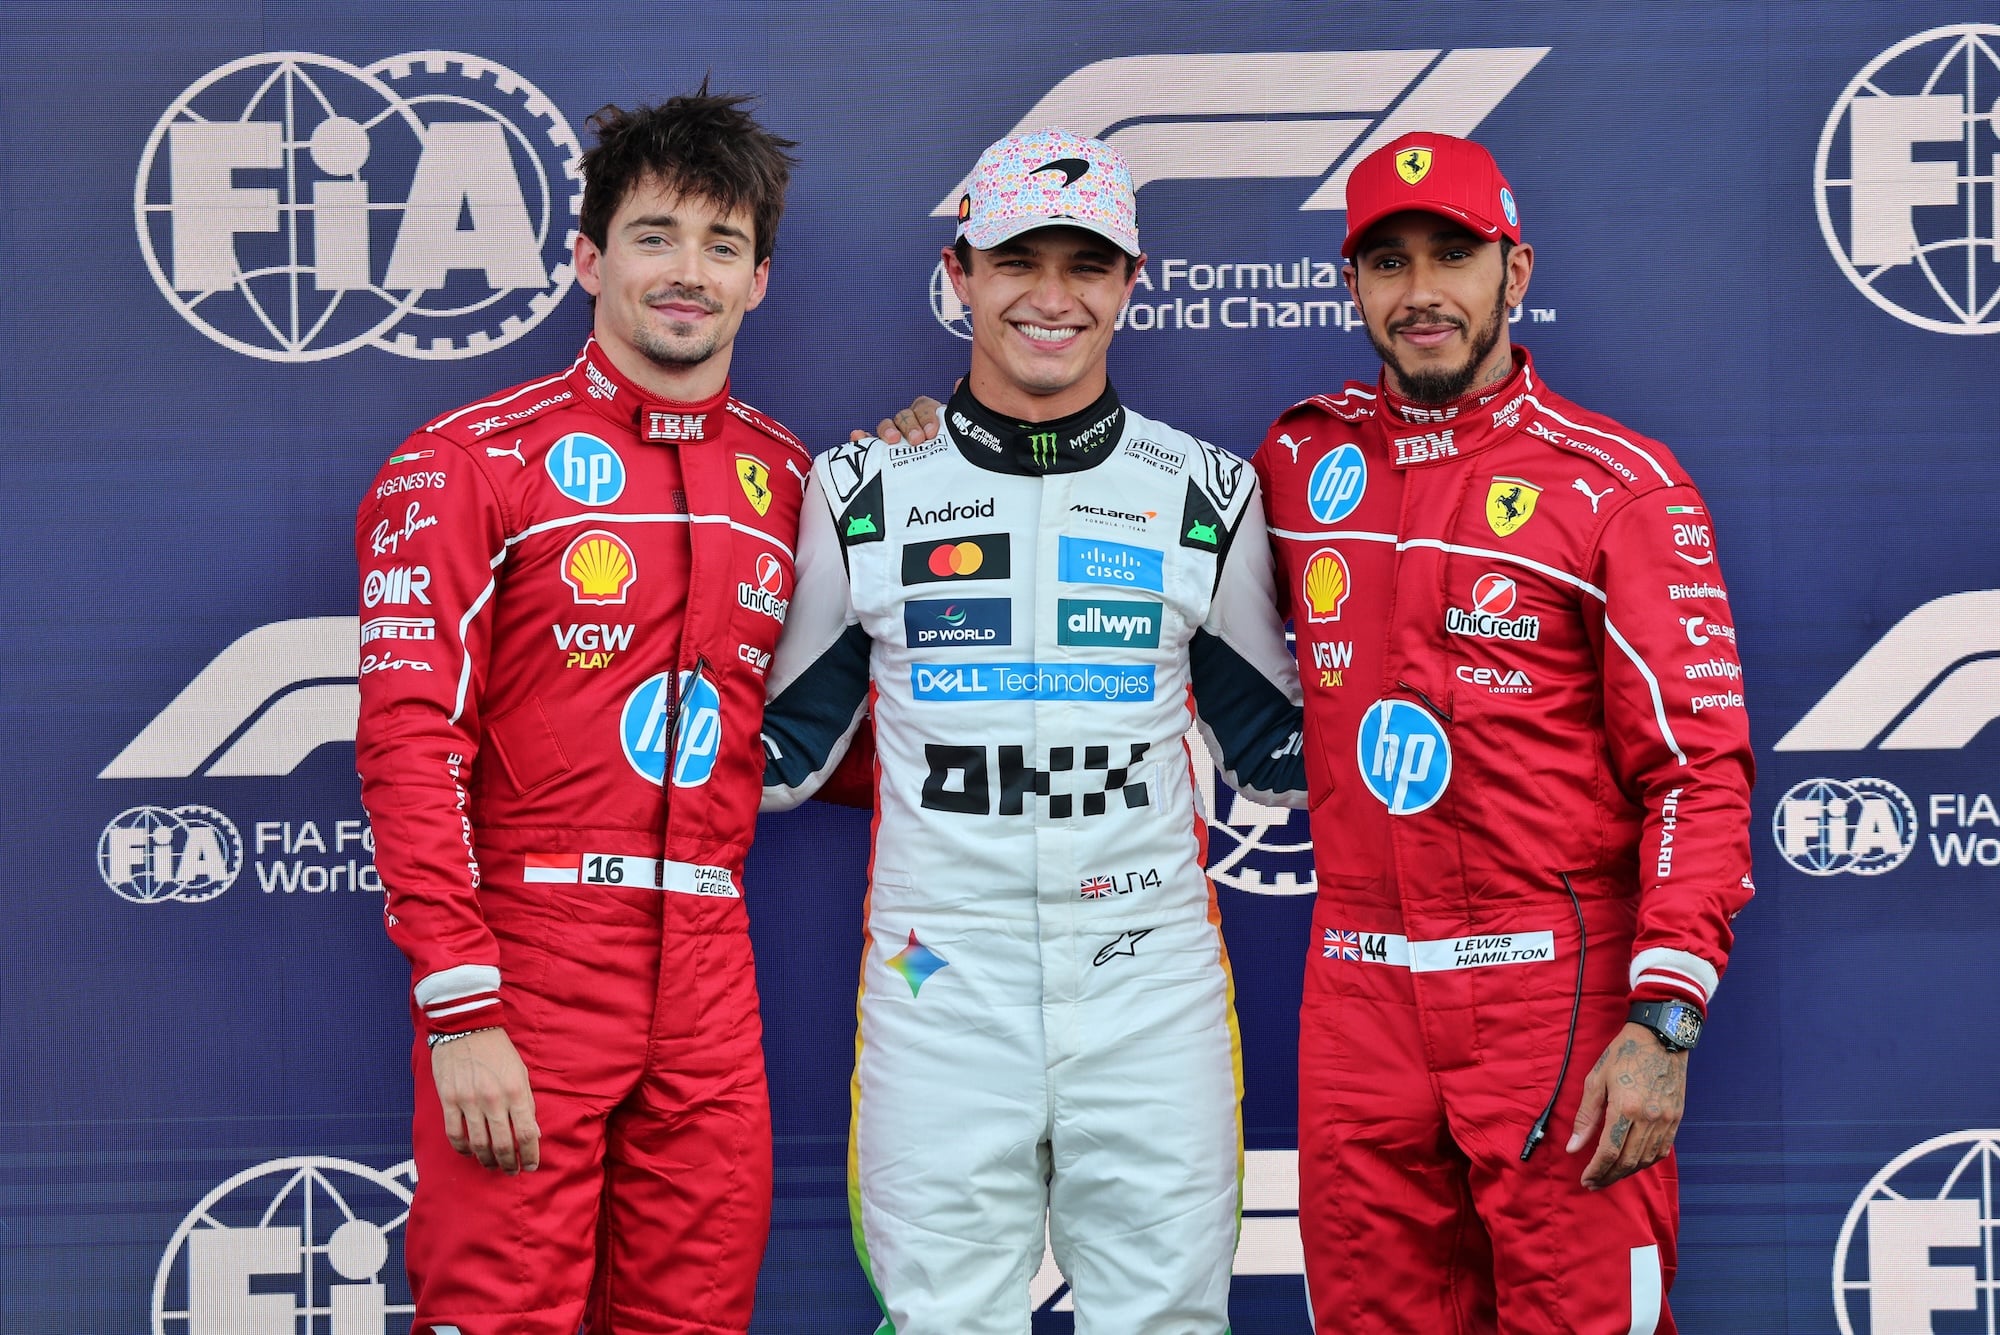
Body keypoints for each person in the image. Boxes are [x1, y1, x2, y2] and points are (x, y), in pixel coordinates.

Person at [759, 127, 1305, 1334]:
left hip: (1148, 973)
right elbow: (778, 759)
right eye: (1016, 261)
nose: (1049, 298)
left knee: (1167, 1319)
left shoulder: (1206, 493)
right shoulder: (860, 489)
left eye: (1085, 265)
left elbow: (1283, 753)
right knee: (944, 1318)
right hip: (935, 972)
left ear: (1131, 283)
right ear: (960, 277)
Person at [1254, 133, 1754, 1333]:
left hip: (1556, 998)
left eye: (1452, 255)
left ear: (1513, 271)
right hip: (1358, 997)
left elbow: (1698, 771)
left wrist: (1662, 1021)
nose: (1420, 290)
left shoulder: (1617, 484)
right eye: (1386, 262)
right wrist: (934, 439)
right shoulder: (1296, 458)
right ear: (1351, 286)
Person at [354, 88, 805, 1335]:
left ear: (758, 281)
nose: (688, 274)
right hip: (531, 956)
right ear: (587, 260)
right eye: (656, 236)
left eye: (722, 247)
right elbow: (405, 739)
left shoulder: (795, 481)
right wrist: (459, 1005)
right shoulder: (468, 460)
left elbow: (837, 735)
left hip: (713, 968)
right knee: (499, 1316)